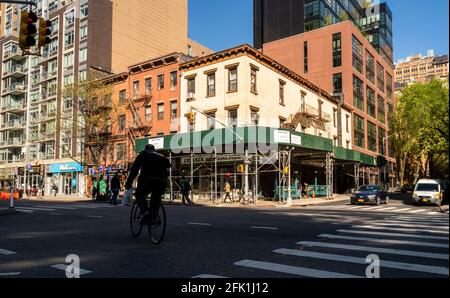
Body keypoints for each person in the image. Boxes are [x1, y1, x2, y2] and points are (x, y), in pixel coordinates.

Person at [125, 144, 171, 225]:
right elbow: (168, 167)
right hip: (161, 181)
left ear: (146, 149)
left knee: (139, 195)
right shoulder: (161, 156)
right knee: (156, 198)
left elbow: (134, 170)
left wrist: (128, 183)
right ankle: (154, 217)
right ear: (154, 150)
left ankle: (145, 213)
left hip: (147, 179)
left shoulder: (143, 154)